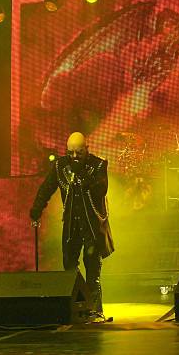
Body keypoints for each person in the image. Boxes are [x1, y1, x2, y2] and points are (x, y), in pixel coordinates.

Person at [30, 132, 114, 320]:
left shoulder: (99, 165)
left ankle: (96, 308)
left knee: (92, 265)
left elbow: (102, 187)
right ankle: (80, 304)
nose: (74, 157)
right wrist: (36, 210)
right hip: (71, 225)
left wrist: (81, 174)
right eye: (71, 153)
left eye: (79, 153)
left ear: (87, 149)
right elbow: (46, 188)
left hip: (92, 225)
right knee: (69, 265)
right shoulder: (60, 165)